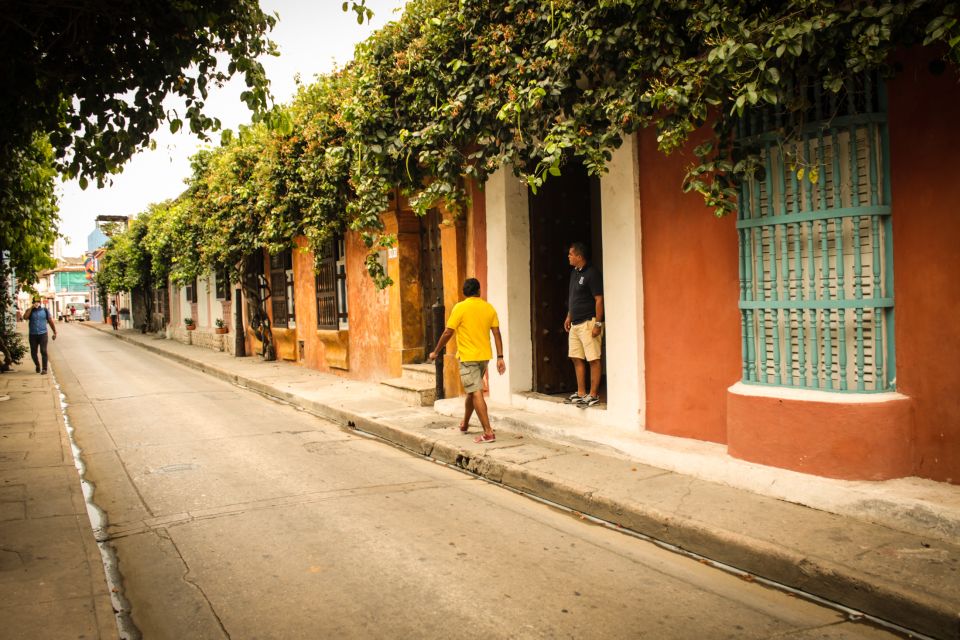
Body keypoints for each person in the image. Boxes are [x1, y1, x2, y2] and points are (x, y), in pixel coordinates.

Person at [428, 278, 506, 443]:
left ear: (464, 293)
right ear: (479, 291)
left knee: (476, 392)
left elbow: (448, 332)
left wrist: (436, 351)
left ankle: (488, 432)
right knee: (473, 391)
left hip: (468, 358)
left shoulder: (460, 308)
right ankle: (465, 423)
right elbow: (496, 333)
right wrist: (500, 357)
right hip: (484, 357)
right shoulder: (488, 307)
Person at [564, 242, 604, 407]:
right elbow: (574, 298)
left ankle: (593, 394)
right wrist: (568, 316)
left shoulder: (592, 273)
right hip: (575, 323)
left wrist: (598, 323)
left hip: (589, 322)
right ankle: (581, 392)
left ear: (579, 256)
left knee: (593, 358)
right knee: (576, 357)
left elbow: (599, 299)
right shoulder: (574, 273)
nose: (568, 257)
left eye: (571, 254)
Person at [23, 297, 57, 374]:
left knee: (43, 351)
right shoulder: (29, 311)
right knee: (33, 352)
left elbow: (50, 321)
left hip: (43, 334)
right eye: (35, 302)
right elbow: (25, 317)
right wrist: (31, 308)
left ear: (40, 303)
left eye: (38, 302)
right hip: (33, 335)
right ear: (32, 303)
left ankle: (44, 369)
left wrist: (54, 332)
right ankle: (37, 365)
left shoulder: (45, 310)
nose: (36, 303)